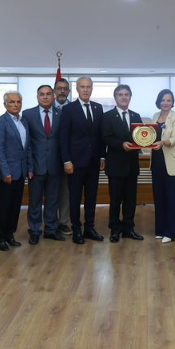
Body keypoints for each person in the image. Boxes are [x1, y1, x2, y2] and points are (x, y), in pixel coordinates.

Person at [59, 76, 106, 244]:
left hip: (93, 161)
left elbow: (100, 135)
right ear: (77, 89)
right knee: (75, 198)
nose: (86, 90)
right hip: (75, 162)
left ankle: (89, 228)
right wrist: (66, 160)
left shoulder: (98, 108)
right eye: (82, 87)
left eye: (88, 87)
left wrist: (102, 156)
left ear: (92, 89)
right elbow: (63, 137)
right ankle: (76, 229)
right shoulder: (69, 109)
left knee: (91, 197)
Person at [103, 84, 144, 242]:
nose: (124, 97)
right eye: (120, 95)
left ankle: (129, 228)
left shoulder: (136, 116)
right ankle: (115, 229)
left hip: (132, 165)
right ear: (115, 97)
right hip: (115, 165)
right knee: (115, 200)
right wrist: (121, 144)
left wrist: (144, 143)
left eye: (126, 94)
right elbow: (106, 137)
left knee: (130, 200)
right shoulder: (107, 116)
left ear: (130, 97)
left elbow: (141, 136)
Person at [25, 84, 64, 244]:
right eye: (42, 94)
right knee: (35, 201)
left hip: (55, 165)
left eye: (48, 94)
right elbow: (26, 143)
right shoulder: (28, 114)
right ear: (37, 97)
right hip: (36, 166)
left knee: (53, 200)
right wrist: (29, 165)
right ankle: (34, 230)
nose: (45, 97)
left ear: (53, 96)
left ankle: (51, 229)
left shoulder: (61, 114)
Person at [0, 91, 31, 250]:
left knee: (15, 206)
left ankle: (9, 234)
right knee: (2, 207)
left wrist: (29, 168)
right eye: (12, 102)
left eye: (18, 102)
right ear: (5, 104)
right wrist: (5, 172)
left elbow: (27, 147)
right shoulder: (0, 122)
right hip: (6, 173)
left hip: (20, 171)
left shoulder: (24, 121)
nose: (16, 105)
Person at [147, 89, 175, 243]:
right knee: (159, 197)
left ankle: (171, 232)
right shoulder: (155, 116)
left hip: (172, 163)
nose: (165, 103)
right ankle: (160, 230)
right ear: (159, 101)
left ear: (172, 103)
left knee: (172, 198)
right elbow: (150, 135)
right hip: (157, 162)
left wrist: (163, 142)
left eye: (168, 100)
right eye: (163, 100)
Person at [53, 77, 73, 236]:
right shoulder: (46, 107)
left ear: (69, 91)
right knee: (51, 191)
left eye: (65, 89)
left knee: (65, 192)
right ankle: (50, 222)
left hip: (68, 157)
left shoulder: (73, 108)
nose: (62, 91)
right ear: (54, 90)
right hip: (49, 157)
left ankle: (63, 222)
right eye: (59, 88)